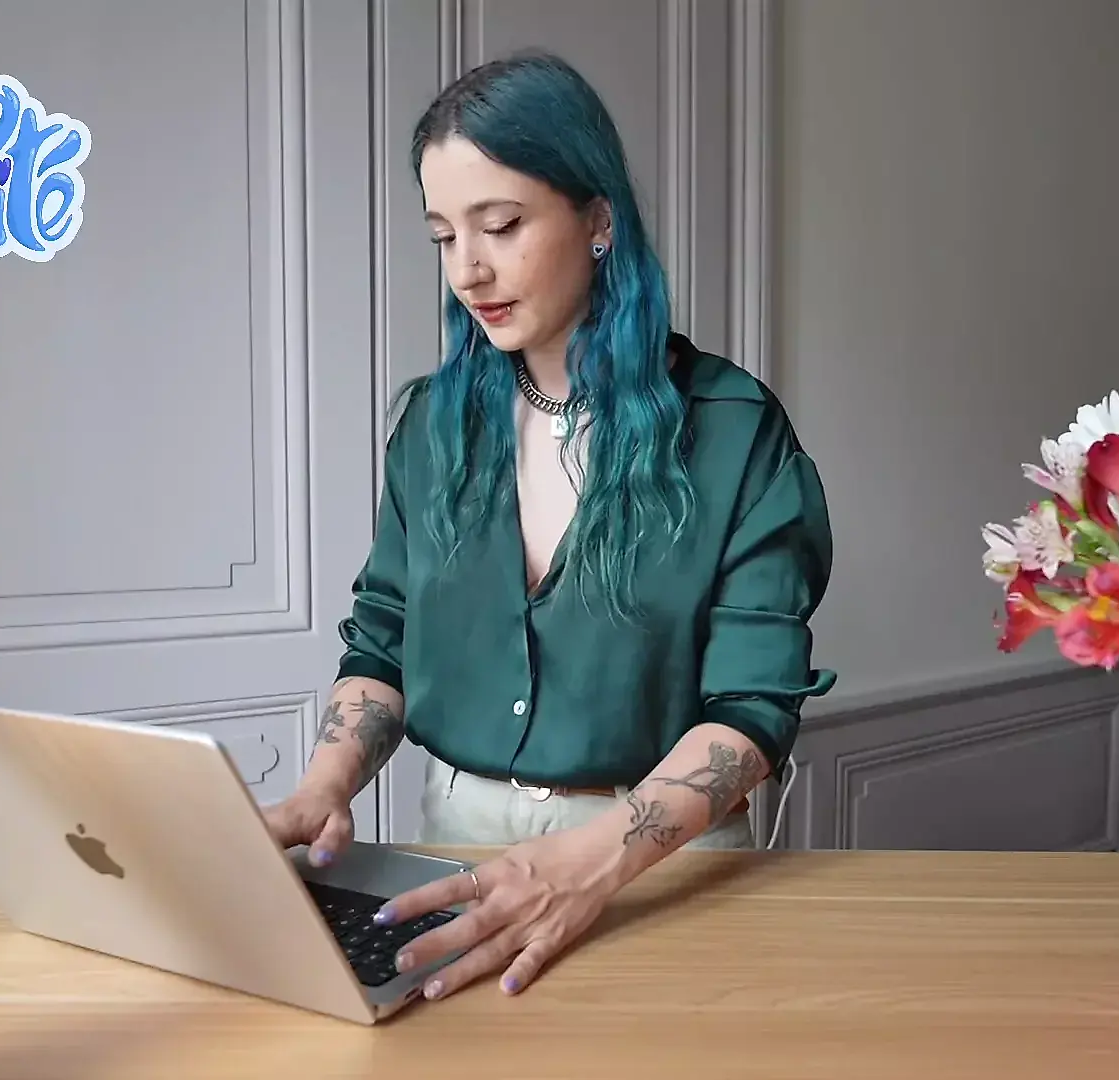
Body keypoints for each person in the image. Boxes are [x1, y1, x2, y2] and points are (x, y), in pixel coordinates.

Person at [261, 50, 834, 1003]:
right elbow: (384, 639)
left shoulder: (736, 431)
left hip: (658, 869)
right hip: (456, 851)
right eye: (444, 236)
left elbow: (752, 709)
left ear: (598, 220)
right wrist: (324, 785)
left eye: (501, 225)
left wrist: (590, 866)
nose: (468, 269)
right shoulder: (433, 427)